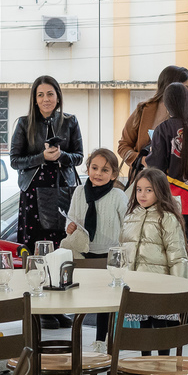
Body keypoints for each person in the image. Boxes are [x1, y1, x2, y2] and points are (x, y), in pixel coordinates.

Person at [10, 75, 82, 328]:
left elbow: (80, 157)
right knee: (36, 252)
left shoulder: (70, 122)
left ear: (58, 96)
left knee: (58, 252)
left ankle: (58, 307)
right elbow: (15, 161)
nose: (45, 99)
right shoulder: (23, 123)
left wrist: (61, 156)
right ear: (34, 99)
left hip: (62, 191)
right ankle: (38, 311)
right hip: (33, 193)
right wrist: (41, 157)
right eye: (40, 95)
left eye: (50, 94)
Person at [144, 82, 188, 269]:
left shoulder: (164, 128)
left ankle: (178, 297)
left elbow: (155, 169)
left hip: (173, 205)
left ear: (167, 105)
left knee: (175, 260)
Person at [121, 168, 188, 355]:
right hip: (137, 285)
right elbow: (124, 250)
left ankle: (163, 366)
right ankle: (145, 365)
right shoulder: (130, 217)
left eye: (149, 190)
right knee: (143, 327)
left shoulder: (167, 218)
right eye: (139, 189)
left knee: (161, 328)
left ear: (160, 190)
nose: (142, 194)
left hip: (161, 286)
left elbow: (177, 256)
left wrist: (179, 288)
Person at [63, 148, 127, 347]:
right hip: (84, 253)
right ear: (88, 168)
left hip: (108, 256)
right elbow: (70, 221)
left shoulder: (118, 195)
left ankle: (102, 341)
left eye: (105, 170)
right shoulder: (79, 191)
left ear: (114, 174)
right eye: (94, 168)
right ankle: (78, 339)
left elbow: (126, 226)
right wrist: (70, 227)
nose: (98, 173)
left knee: (105, 301)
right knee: (83, 297)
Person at [117, 65, 188, 179]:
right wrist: (141, 160)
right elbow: (123, 146)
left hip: (173, 184)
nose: (187, 93)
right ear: (170, 86)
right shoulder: (143, 110)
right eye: (185, 87)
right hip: (142, 180)